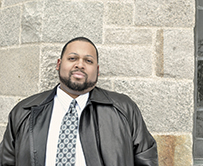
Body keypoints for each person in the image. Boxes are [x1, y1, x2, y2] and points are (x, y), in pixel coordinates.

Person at [0, 37, 158, 166]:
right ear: (58, 64)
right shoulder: (24, 111)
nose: (80, 64)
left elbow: (146, 159)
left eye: (88, 61)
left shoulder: (124, 109)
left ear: (97, 70)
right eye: (72, 58)